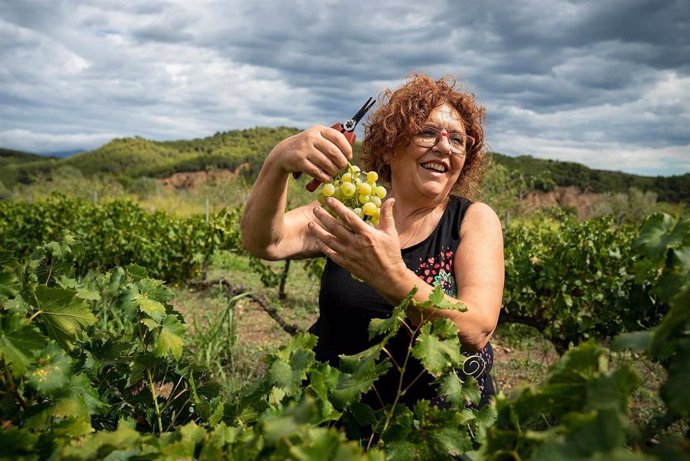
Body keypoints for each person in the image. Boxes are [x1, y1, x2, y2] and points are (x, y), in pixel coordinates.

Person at [241, 72, 504, 408]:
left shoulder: (473, 220)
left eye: (458, 139)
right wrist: (277, 162)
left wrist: (391, 277)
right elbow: (265, 241)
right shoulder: (353, 211)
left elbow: (476, 329)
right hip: (340, 416)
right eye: (427, 133)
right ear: (390, 148)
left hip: (428, 427)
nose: (443, 145)